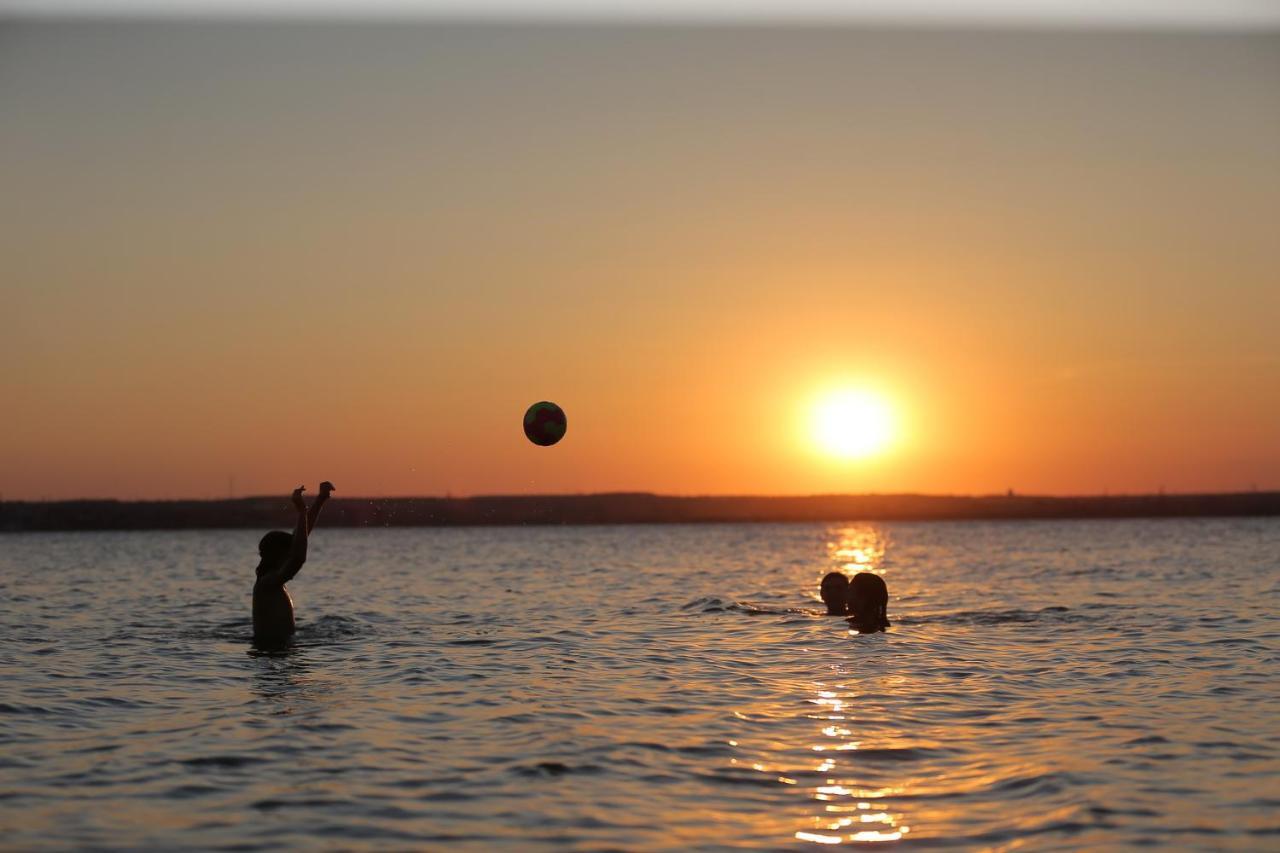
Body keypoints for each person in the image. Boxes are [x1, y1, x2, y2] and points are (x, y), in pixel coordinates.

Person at [253, 481, 334, 647]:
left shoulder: (272, 580)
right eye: (287, 553)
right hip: (272, 654)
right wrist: (301, 511)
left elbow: (299, 537)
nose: (290, 555)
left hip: (281, 652)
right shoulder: (268, 583)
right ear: (276, 555)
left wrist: (320, 500)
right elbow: (298, 557)